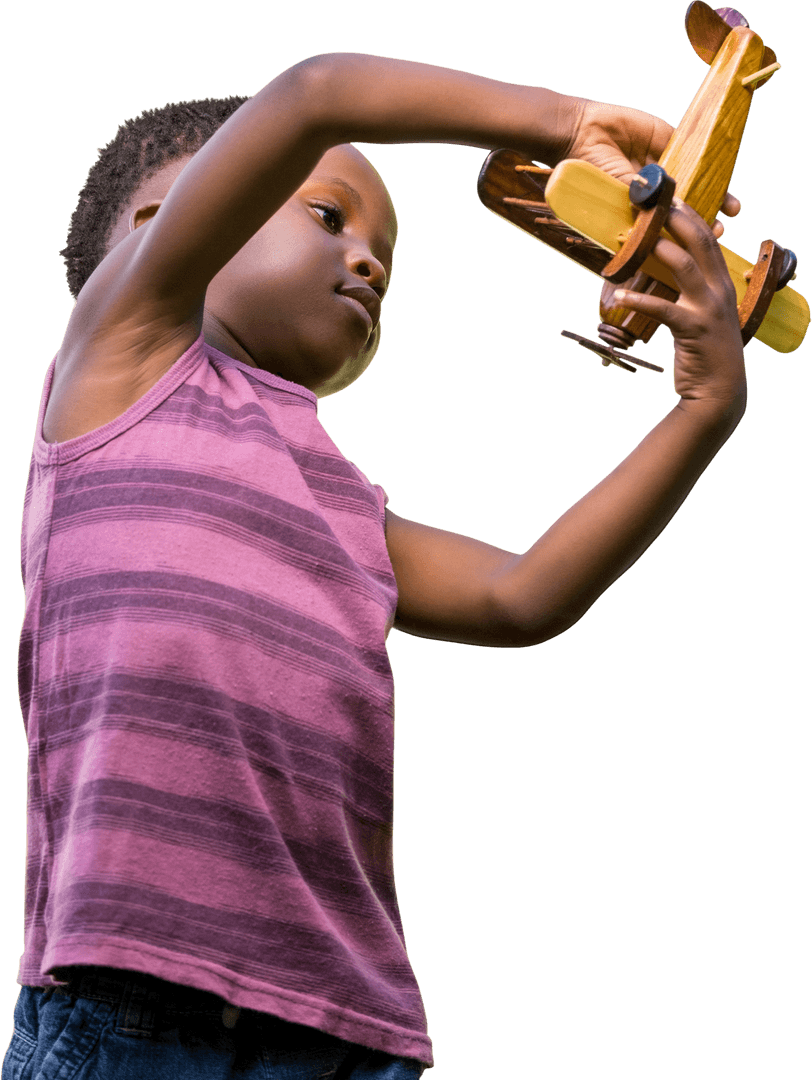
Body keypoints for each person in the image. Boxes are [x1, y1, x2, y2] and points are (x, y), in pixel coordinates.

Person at [3, 53, 745, 1080]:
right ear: (164, 225)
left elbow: (522, 594)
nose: (367, 262)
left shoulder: (342, 506)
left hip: (343, 1028)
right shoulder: (121, 366)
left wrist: (703, 410)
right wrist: (563, 120)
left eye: (383, 257)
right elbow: (318, 96)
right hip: (132, 1004)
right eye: (326, 217)